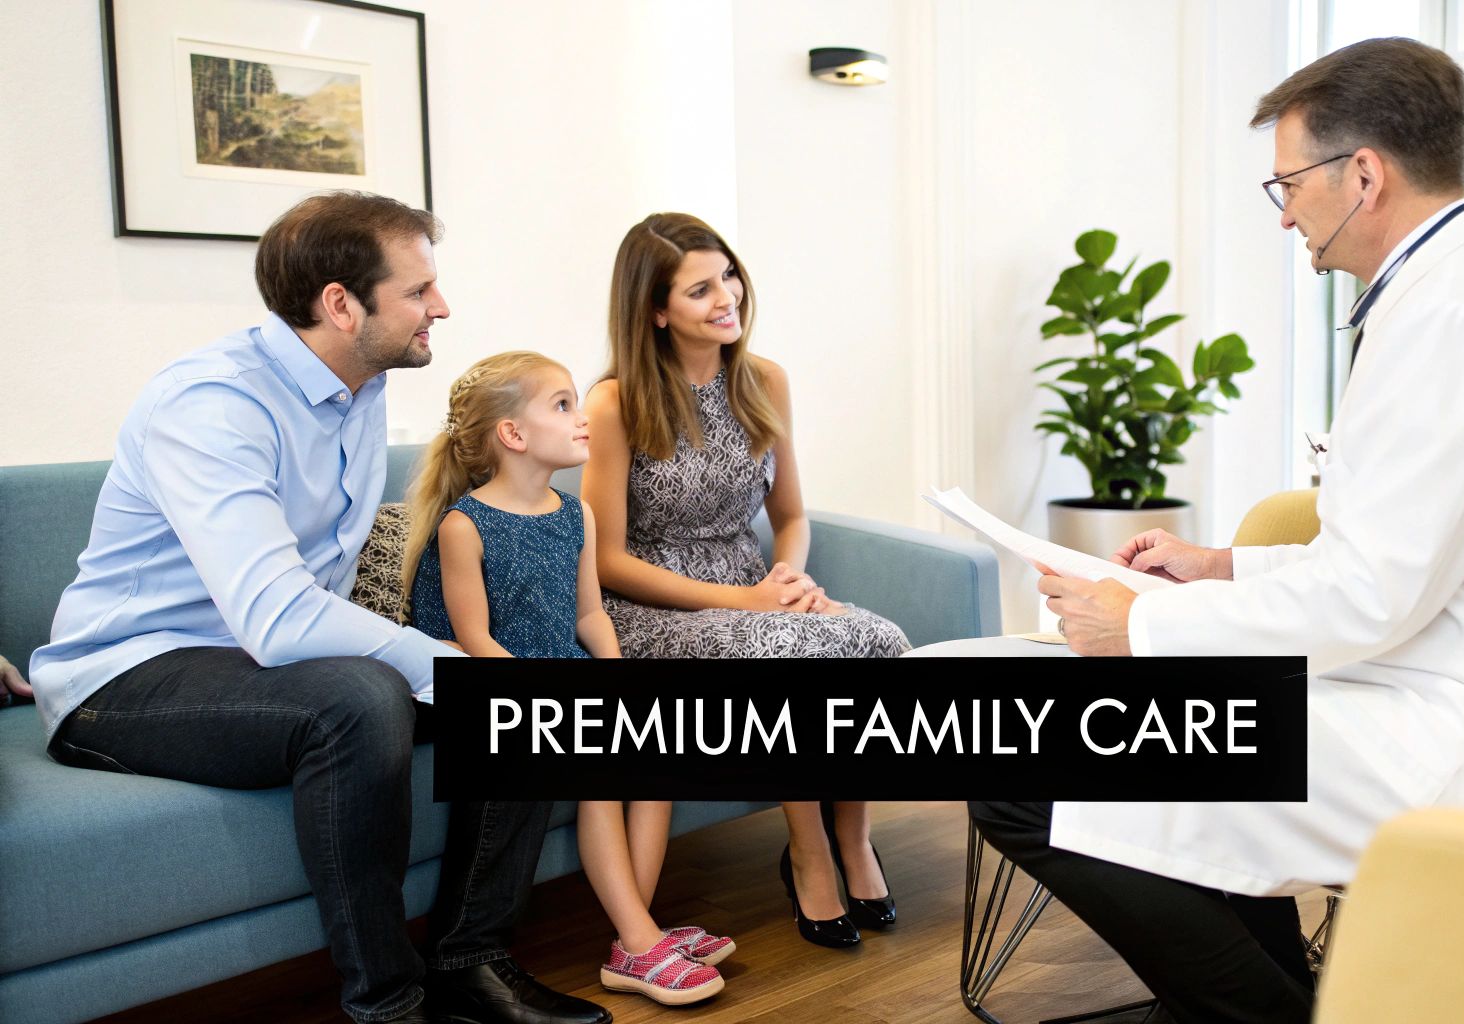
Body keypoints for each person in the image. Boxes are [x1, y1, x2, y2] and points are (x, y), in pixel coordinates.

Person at [972, 38, 1464, 1023]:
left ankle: (1260, 1012)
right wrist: (1219, 565)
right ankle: (1266, 997)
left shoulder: (1453, 318)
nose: (1285, 210)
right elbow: (1399, 549)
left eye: (1288, 183)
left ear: (1364, 174)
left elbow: (1373, 593)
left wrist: (1140, 626)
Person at [29, 192, 607, 1024]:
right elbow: (275, 615)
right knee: (363, 697)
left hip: (257, 669)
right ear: (341, 304)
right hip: (124, 677)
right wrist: (443, 664)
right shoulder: (212, 404)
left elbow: (311, 604)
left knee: (520, 703)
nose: (439, 307)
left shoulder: (358, 390)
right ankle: (388, 1004)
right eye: (418, 292)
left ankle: (472, 960)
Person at [579, 213, 905, 949]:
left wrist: (788, 577)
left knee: (879, 641)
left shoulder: (763, 381)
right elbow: (606, 561)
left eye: (728, 275)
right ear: (656, 311)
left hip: (755, 587)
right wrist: (755, 604)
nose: (727, 296)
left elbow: (790, 514)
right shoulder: (615, 402)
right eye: (700, 289)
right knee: (787, 653)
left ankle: (853, 839)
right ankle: (808, 852)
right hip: (649, 608)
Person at [405, 351, 730, 1007]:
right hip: (491, 679)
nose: (582, 418)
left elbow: (588, 614)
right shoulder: (464, 525)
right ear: (512, 435)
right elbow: (474, 640)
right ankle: (640, 942)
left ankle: (636, 933)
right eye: (562, 406)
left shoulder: (573, 513)